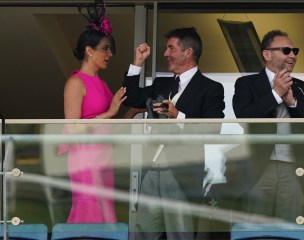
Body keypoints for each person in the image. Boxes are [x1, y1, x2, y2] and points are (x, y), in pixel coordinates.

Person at [123, 27, 225, 239]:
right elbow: (131, 99)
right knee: (142, 233)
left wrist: (178, 116)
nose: (165, 54)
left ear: (188, 52)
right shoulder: (162, 83)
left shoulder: (211, 88)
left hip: (182, 171)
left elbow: (213, 129)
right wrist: (137, 63)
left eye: (171, 48)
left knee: (181, 233)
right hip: (151, 168)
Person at [58, 0, 127, 223]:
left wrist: (132, 111)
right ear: (89, 51)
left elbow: (111, 123)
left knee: (105, 210)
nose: (110, 54)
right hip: (84, 156)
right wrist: (109, 113)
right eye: (105, 48)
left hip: (104, 156)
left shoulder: (103, 85)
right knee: (89, 209)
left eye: (110, 49)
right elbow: (74, 126)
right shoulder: (75, 83)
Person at [232, 29, 304, 223]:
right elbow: (244, 116)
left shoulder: (301, 86)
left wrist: (292, 103)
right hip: (259, 168)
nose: (293, 55)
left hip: (295, 169)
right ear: (267, 54)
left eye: (295, 51)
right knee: (255, 228)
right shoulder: (246, 83)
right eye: (286, 50)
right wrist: (275, 94)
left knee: (291, 229)